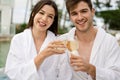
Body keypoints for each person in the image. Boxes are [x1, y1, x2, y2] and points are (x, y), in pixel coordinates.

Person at [58, 0, 120, 80]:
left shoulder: (109, 41)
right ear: (70, 17)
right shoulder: (62, 41)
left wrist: (91, 69)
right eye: (74, 13)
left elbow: (117, 75)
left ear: (92, 12)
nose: (80, 17)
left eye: (84, 11)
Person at [5, 0, 67, 80]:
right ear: (33, 13)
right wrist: (42, 56)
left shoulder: (58, 42)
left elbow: (64, 74)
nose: (44, 18)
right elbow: (13, 72)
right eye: (41, 13)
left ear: (53, 21)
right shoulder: (18, 40)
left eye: (50, 16)